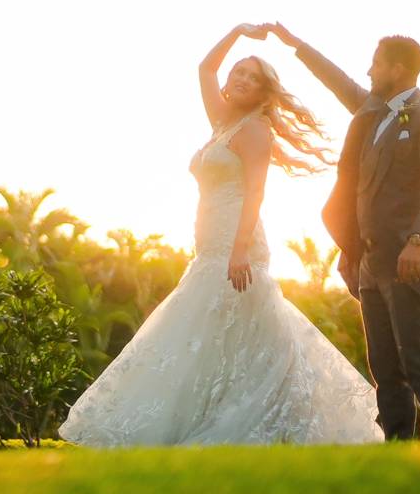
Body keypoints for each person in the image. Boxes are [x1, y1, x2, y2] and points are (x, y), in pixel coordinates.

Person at [58, 23, 382, 447]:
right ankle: (205, 414)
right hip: (209, 246)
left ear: (264, 94)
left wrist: (240, 248)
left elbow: (256, 192)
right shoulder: (222, 122)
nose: (240, 79)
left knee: (249, 334)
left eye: (252, 77)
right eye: (239, 72)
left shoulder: (253, 130)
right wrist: (238, 32)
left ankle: (286, 421)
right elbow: (205, 68)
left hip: (236, 246)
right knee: (211, 338)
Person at [268, 24, 420, 439]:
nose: (368, 72)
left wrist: (419, 241)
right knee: (385, 367)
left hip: (408, 261)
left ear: (398, 69)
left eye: (375, 65)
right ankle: (397, 448)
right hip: (370, 263)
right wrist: (297, 45)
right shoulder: (371, 111)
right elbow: (340, 83)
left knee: (418, 361)